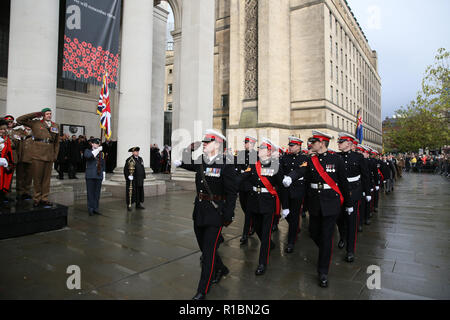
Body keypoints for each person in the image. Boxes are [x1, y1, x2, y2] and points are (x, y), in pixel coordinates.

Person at [173, 129, 238, 300]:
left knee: (207, 254)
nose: (204, 144)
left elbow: (232, 193)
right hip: (200, 211)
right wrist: (188, 149)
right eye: (203, 141)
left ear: (217, 144)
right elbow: (187, 163)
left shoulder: (226, 163)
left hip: (216, 213)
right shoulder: (201, 160)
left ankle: (203, 289)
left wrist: (228, 214)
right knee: (204, 247)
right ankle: (221, 268)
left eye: (207, 141)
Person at [285, 130, 352, 287]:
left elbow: (343, 183)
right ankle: (325, 250)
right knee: (314, 233)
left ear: (322, 143)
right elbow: (302, 172)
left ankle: (323, 272)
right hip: (315, 203)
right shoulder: (311, 160)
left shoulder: (336, 159)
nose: (310, 145)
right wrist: (291, 177)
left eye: (313, 142)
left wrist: (348, 204)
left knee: (327, 236)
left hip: (331, 203)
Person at [239, 138, 289, 276]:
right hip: (254, 201)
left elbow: (283, 188)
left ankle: (262, 263)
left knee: (266, 233)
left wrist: (285, 207)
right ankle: (270, 245)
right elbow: (243, 178)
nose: (259, 150)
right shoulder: (254, 165)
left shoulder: (276, 166)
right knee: (258, 228)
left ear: (268, 151)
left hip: (268, 202)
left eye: (261, 148)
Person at [335, 134, 370, 261]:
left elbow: (365, 175)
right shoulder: (336, 156)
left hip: (353, 192)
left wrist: (367, 192)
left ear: (349, 144)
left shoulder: (358, 157)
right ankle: (343, 237)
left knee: (351, 221)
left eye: (341, 142)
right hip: (339, 192)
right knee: (340, 219)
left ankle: (350, 250)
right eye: (339, 142)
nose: (339, 144)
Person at [17, 108, 60, 208]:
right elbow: (20, 120)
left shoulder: (55, 125)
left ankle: (44, 198)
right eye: (47, 114)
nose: (49, 115)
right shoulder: (35, 123)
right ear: (43, 115)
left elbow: (57, 143)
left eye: (50, 113)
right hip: (38, 153)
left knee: (46, 179)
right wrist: (35, 114)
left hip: (49, 153)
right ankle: (37, 198)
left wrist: (55, 155)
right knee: (37, 177)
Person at [280, 136, 308, 253]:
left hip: (297, 189)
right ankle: (295, 227)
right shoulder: (284, 157)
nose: (290, 147)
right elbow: (279, 170)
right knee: (286, 214)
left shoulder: (304, 158)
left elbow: (301, 171)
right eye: (289, 145)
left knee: (295, 214)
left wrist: (290, 177)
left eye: (292, 145)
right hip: (285, 190)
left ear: (299, 146)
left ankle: (291, 242)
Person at [234, 135, 258, 245]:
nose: (245, 144)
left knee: (248, 210)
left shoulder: (256, 155)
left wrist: (245, 173)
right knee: (244, 208)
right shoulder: (241, 154)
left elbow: (254, 170)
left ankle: (245, 234)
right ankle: (253, 224)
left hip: (250, 186)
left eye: (247, 143)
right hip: (242, 185)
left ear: (252, 144)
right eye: (245, 143)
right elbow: (237, 167)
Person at [84, 138, 105, 216]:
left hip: (98, 175)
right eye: (96, 143)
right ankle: (90, 209)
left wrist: (104, 174)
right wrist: (98, 150)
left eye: (98, 143)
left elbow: (103, 164)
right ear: (92, 144)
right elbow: (89, 156)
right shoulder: (87, 151)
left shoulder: (101, 153)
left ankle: (96, 208)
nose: (97, 145)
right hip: (90, 175)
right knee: (90, 193)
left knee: (97, 194)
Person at [15, 125, 34, 200]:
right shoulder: (19, 132)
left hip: (31, 158)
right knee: (20, 176)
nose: (28, 125)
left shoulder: (35, 133)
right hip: (21, 157)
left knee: (29, 177)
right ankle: (20, 192)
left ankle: (27, 192)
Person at [124, 147, 146, 211]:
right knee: (131, 192)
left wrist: (143, 176)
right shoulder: (129, 159)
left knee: (139, 191)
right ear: (133, 152)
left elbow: (142, 167)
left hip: (139, 178)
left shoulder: (140, 159)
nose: (137, 153)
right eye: (136, 151)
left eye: (137, 151)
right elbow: (126, 169)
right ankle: (129, 205)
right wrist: (128, 176)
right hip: (133, 179)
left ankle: (138, 204)